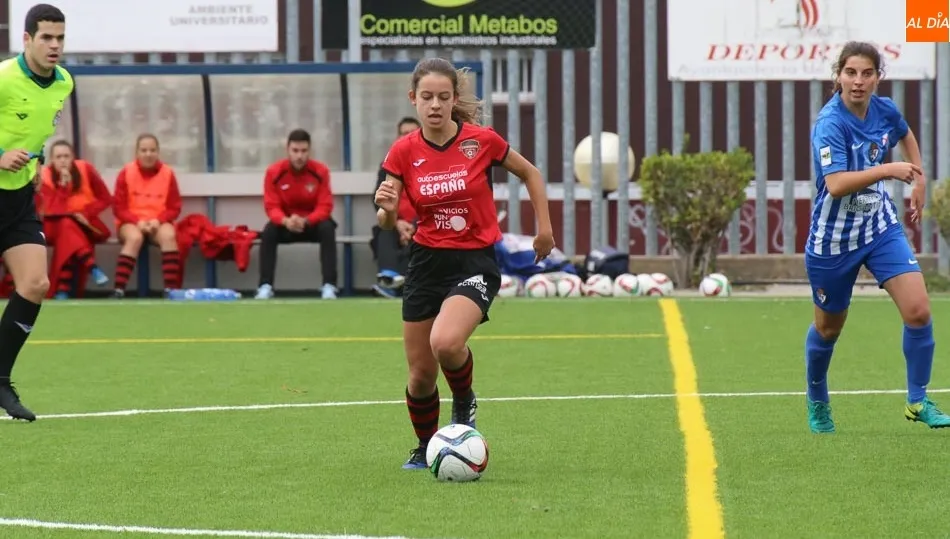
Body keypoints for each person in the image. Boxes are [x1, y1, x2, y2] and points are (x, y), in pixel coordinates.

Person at [375, 57, 555, 469]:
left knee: (446, 342)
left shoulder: (481, 141)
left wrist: (544, 230)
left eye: (442, 97)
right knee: (420, 374)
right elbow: (387, 221)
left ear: (454, 99)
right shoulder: (402, 152)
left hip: (473, 262)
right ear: (413, 100)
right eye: (426, 97)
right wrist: (385, 211)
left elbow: (531, 174)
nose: (434, 105)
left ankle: (463, 400)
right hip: (425, 263)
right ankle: (425, 448)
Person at [805, 41, 950, 433]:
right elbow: (835, 185)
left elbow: (906, 134)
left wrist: (918, 177)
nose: (858, 81)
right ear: (838, 76)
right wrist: (889, 170)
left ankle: (918, 401)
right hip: (833, 240)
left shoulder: (884, 109)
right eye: (850, 73)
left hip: (880, 228)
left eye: (867, 73)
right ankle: (817, 400)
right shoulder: (830, 123)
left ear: (877, 78)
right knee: (828, 329)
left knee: (919, 310)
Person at [0, 3, 73, 421]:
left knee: (35, 283)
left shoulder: (64, 82)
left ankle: (0, 380)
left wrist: (38, 161)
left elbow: (38, 130)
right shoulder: (5, 78)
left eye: (60, 38)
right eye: (46, 37)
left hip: (17, 201)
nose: (55, 45)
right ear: (26, 39)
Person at [256, 129, 338, 300]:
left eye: (303, 151)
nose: (299, 156)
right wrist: (286, 221)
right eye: (295, 151)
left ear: (309, 150)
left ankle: (329, 285)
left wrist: (307, 220)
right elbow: (271, 206)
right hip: (286, 225)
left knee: (328, 228)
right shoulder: (274, 172)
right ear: (287, 150)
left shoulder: (321, 171)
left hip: (312, 224)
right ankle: (265, 285)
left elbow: (325, 205)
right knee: (269, 231)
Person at [38, 140, 113, 299]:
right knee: (67, 224)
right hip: (51, 226)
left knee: (68, 232)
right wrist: (63, 186)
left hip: (82, 224)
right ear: (52, 160)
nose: (63, 160)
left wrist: (86, 213)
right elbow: (53, 210)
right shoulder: (45, 177)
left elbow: (105, 198)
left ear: (73, 157)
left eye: (66, 156)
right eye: (58, 157)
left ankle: (62, 291)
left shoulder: (85, 169)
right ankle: (92, 267)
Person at [111, 134, 183, 297]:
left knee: (169, 235)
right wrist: (138, 222)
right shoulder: (126, 172)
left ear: (158, 152)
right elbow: (119, 208)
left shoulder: (168, 173)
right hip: (131, 222)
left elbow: (174, 207)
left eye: (152, 150)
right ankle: (118, 289)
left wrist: (159, 220)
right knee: (135, 238)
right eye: (144, 150)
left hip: (158, 222)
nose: (148, 154)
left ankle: (170, 290)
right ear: (136, 152)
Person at [371, 117, 421, 298]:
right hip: (395, 222)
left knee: (427, 233)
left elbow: (436, 199)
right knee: (384, 228)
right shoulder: (388, 165)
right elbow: (377, 198)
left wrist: (415, 224)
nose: (407, 137)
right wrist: (398, 222)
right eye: (403, 134)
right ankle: (388, 281)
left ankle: (406, 281)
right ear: (397, 137)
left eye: (412, 134)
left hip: (423, 223)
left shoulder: (431, 164)